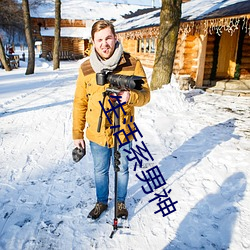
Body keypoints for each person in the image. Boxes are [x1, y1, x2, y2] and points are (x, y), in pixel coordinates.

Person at [72, 20, 150, 220]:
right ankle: (101, 202)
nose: (104, 43)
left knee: (122, 168)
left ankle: (121, 202)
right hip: (97, 133)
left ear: (115, 38)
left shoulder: (132, 64)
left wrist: (130, 97)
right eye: (99, 40)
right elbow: (80, 102)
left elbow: (146, 95)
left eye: (108, 38)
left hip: (123, 130)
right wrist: (77, 134)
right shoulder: (86, 68)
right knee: (100, 170)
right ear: (93, 42)